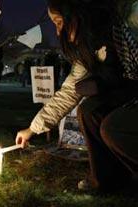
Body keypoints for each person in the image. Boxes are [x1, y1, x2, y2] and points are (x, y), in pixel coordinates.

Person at [15, 0, 138, 192]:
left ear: (77, 14)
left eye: (58, 22)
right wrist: (32, 129)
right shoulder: (89, 46)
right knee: (89, 110)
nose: (57, 32)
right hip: (130, 94)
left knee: (113, 127)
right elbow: (69, 92)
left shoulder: (128, 22)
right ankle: (108, 179)